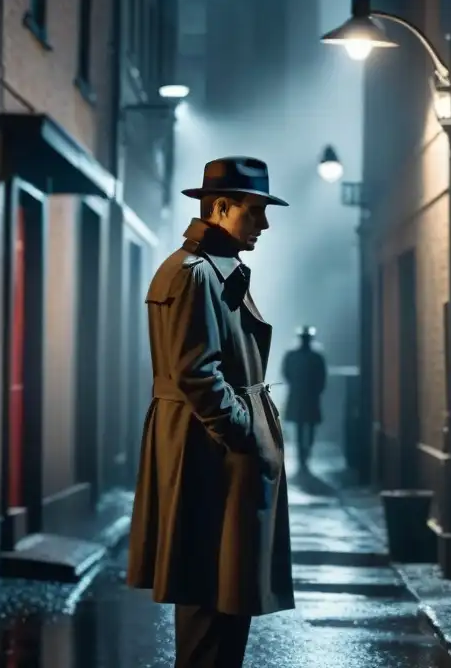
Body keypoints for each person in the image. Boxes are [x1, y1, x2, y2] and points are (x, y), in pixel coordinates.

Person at [126, 156, 295, 668]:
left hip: (211, 451)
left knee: (224, 600)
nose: (263, 224)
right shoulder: (195, 274)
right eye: (255, 211)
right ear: (221, 207)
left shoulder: (209, 270)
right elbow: (197, 373)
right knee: (210, 602)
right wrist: (244, 435)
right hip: (209, 456)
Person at [281, 326, 328, 469]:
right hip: (305, 396)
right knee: (302, 427)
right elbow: (287, 373)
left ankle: (305, 455)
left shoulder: (302, 356)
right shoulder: (313, 357)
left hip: (306, 395)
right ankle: (303, 456)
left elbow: (321, 377)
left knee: (306, 427)